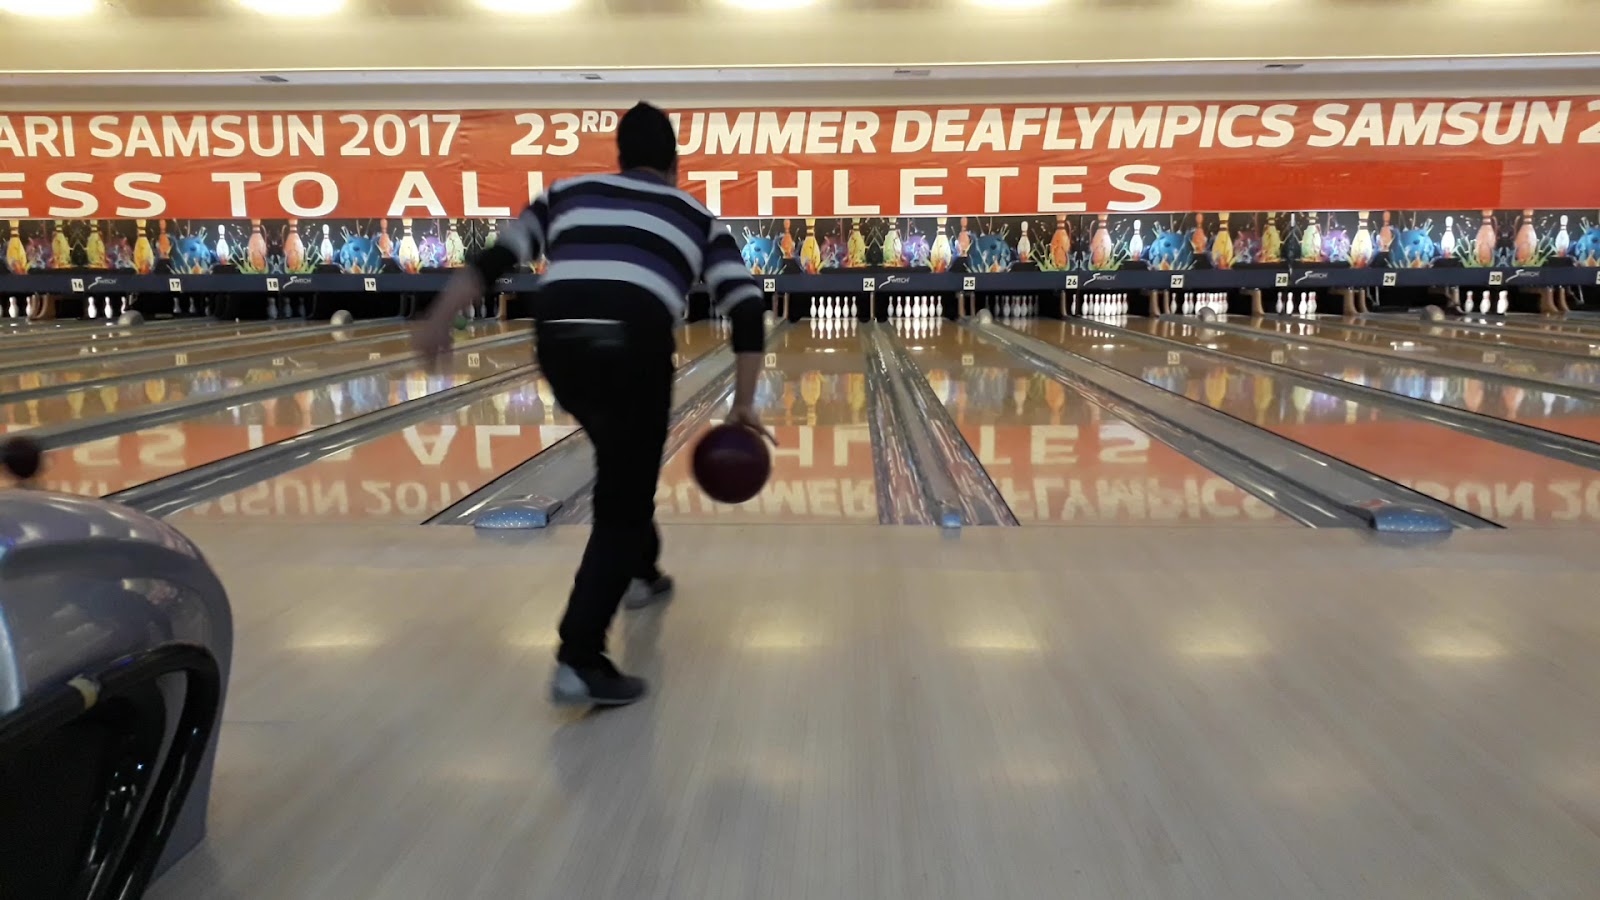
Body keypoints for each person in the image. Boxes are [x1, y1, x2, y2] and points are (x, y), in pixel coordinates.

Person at [415, 101, 767, 708]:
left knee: (622, 466)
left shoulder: (566, 192)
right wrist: (744, 403)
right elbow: (746, 306)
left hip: (559, 342)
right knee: (622, 496)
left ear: (620, 157)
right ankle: (581, 658)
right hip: (634, 343)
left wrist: (439, 317)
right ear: (674, 163)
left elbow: (496, 258)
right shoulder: (697, 215)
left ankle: (643, 571)